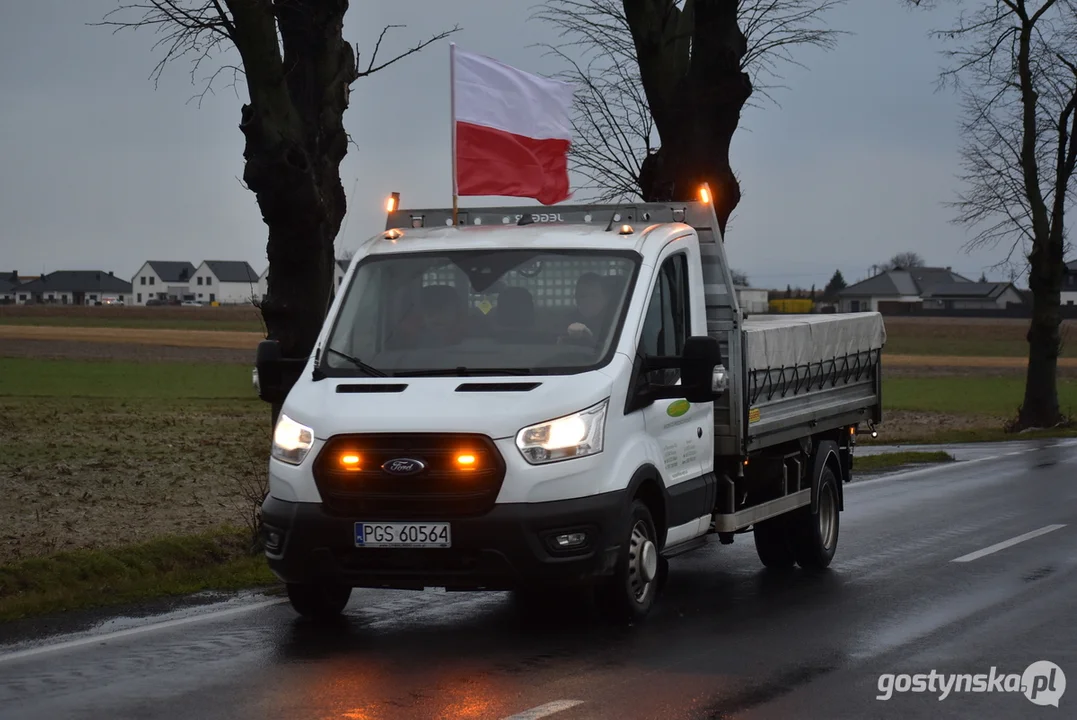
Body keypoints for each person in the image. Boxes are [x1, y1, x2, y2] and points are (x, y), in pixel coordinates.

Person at [562, 272, 612, 345]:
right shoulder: (564, 322)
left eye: (594, 296)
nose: (588, 301)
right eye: (583, 296)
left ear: (606, 298)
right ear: (576, 298)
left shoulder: (615, 323)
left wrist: (589, 338)